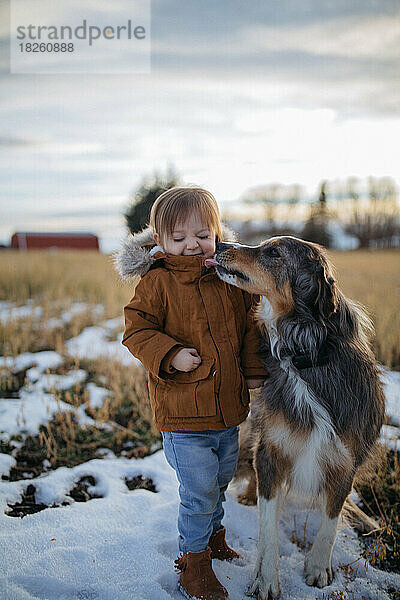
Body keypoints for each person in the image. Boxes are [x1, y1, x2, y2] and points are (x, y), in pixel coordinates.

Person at [114, 186, 267, 600]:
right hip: (183, 414)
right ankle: (193, 561)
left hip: (228, 411)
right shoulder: (158, 281)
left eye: (202, 234)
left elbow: (249, 327)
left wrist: (254, 371)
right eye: (177, 238)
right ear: (159, 241)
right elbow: (137, 330)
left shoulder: (229, 279)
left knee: (218, 484)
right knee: (198, 492)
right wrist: (171, 353)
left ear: (217, 232)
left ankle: (213, 537)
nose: (190, 245)